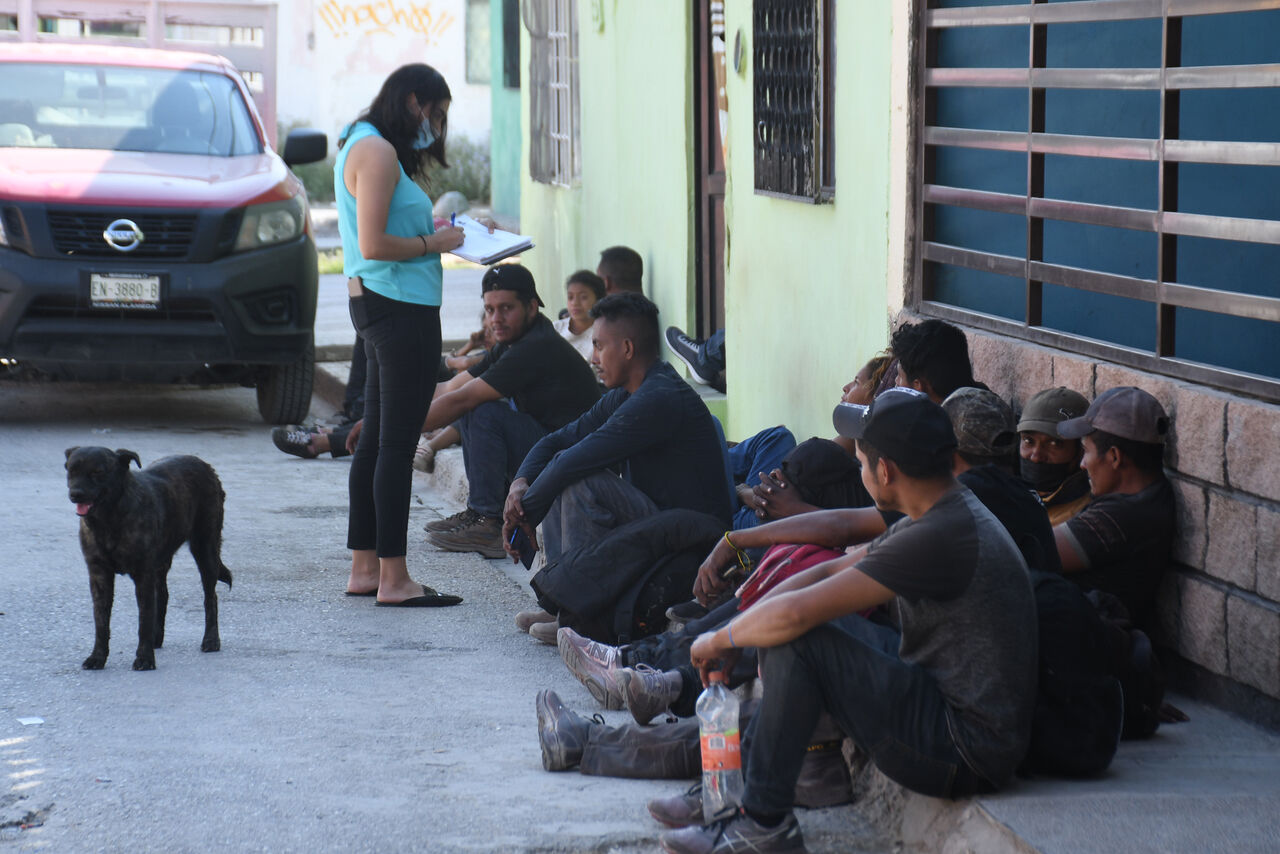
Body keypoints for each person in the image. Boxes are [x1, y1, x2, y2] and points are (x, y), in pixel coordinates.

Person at [657, 388, 1037, 853]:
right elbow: (825, 572)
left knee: (798, 638)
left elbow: (798, 612)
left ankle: (761, 820)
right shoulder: (941, 510)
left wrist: (719, 638)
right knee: (792, 631)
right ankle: (736, 797)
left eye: (860, 463)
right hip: (943, 705)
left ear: (885, 471)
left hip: (963, 747)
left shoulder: (941, 534)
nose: (860, 471)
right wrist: (742, 631)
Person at [502, 292, 733, 640]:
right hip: (658, 525)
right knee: (559, 472)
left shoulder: (659, 398)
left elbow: (572, 461)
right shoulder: (627, 393)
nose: (593, 357)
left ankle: (581, 613)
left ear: (626, 348)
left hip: (692, 539)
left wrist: (524, 515)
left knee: (580, 482)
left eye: (599, 346)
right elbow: (557, 441)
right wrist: (520, 483)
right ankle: (564, 605)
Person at [337, 63, 466, 606]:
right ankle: (395, 579)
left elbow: (382, 231)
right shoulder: (378, 152)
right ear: (413, 102)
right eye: (434, 114)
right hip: (399, 307)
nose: (435, 127)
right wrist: (433, 246)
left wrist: (430, 233)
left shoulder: (361, 142)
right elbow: (373, 243)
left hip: (379, 303)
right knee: (395, 444)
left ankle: (367, 569)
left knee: (377, 442)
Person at [422, 264, 602, 559]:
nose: (496, 319)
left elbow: (460, 400)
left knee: (480, 409)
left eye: (506, 308)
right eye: (490, 309)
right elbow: (450, 388)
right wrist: (385, 413)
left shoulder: (535, 346)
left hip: (569, 462)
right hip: (546, 448)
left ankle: (487, 522)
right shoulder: (513, 340)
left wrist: (390, 433)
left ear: (531, 306)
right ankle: (478, 513)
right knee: (472, 406)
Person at [1053, 386, 1175, 628]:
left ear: (1115, 457)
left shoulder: (1121, 518)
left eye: (1086, 452)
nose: (1082, 465)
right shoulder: (1154, 493)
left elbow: (1027, 551)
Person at [1018, 386, 1093, 525]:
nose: (1036, 456)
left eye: (1054, 444)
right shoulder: (1005, 493)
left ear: (1081, 451)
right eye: (1028, 441)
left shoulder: (1084, 517)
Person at [891, 318, 982, 402]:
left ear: (917, 386)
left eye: (900, 376)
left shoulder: (936, 418)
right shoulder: (988, 403)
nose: (896, 381)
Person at [552, 269, 606, 364]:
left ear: (598, 300)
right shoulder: (555, 329)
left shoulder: (603, 334)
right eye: (570, 297)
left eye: (583, 297)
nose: (575, 303)